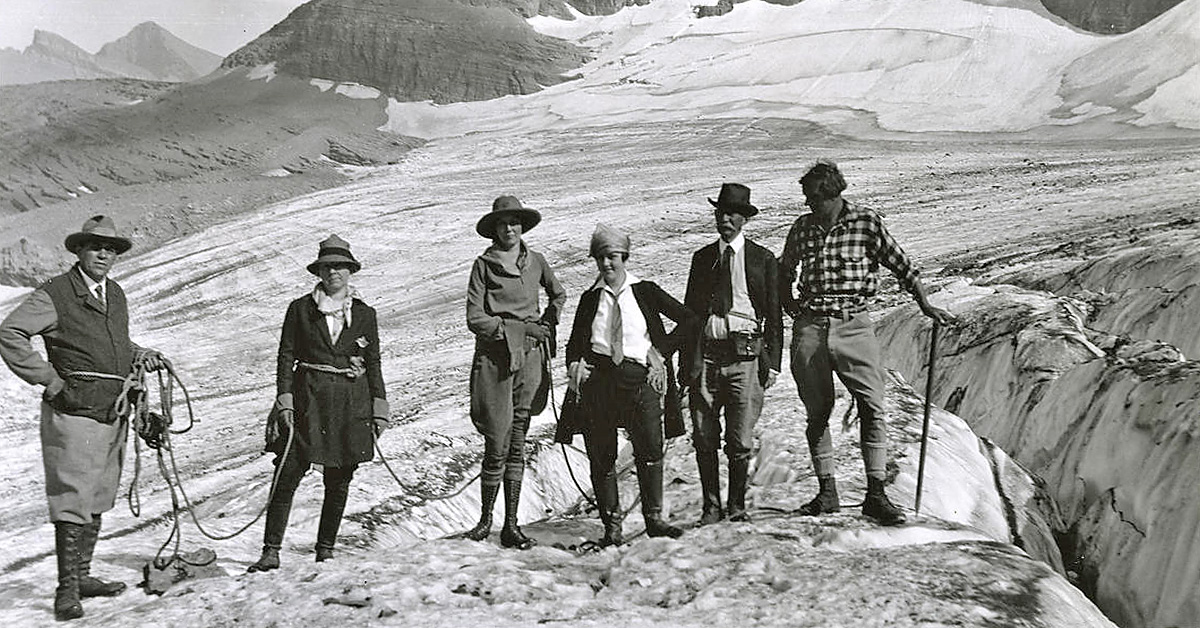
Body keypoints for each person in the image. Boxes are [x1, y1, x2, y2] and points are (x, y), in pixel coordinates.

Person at [0, 215, 164, 621]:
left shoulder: (116, 294)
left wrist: (138, 352)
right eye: (96, 247)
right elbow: (10, 333)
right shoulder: (56, 293)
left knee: (98, 495)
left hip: (112, 411)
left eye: (111, 249)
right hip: (72, 412)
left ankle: (85, 575)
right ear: (78, 250)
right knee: (73, 499)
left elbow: (113, 343)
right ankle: (66, 589)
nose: (104, 254)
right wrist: (51, 383)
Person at [778, 161, 954, 526]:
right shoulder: (802, 228)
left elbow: (901, 264)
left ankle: (876, 494)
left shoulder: (866, 223)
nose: (808, 204)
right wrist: (787, 302)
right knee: (817, 410)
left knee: (872, 404)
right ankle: (827, 493)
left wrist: (924, 303)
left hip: (854, 325)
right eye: (806, 198)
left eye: (813, 198)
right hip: (810, 327)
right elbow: (784, 270)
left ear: (832, 194)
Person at [247, 234, 389, 571]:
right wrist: (284, 400)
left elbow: (374, 363)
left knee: (339, 480)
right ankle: (271, 552)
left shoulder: (365, 314)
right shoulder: (300, 309)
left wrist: (379, 407)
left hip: (349, 405)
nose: (334, 272)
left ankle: (325, 550)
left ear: (350, 271)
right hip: (306, 401)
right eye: (327, 267)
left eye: (340, 266)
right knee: (287, 473)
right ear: (319, 271)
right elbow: (286, 356)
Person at [565, 223, 697, 546]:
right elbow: (573, 345)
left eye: (612, 257)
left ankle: (654, 521)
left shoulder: (645, 291)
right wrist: (575, 365)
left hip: (640, 382)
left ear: (624, 256)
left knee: (650, 450)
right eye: (600, 259)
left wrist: (661, 351)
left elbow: (691, 319)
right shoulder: (589, 300)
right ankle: (612, 528)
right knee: (601, 456)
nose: (606, 265)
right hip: (600, 386)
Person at [464, 195, 566, 550]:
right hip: (495, 362)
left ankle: (511, 525)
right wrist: (521, 330)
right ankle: (485, 522)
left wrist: (548, 322)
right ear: (494, 229)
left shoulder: (536, 261)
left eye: (515, 223)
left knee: (519, 439)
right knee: (497, 441)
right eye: (503, 224)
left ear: (523, 226)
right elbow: (475, 318)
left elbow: (558, 294)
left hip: (531, 361)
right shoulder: (483, 266)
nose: (510, 229)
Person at [681, 183, 782, 525]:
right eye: (721, 213)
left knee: (739, 438)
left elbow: (773, 311)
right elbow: (691, 314)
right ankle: (711, 507)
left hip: (746, 360)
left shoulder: (762, 259)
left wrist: (774, 363)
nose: (725, 219)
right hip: (707, 357)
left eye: (733, 214)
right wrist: (688, 362)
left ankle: (736, 506)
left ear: (744, 219)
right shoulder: (702, 259)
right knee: (704, 436)